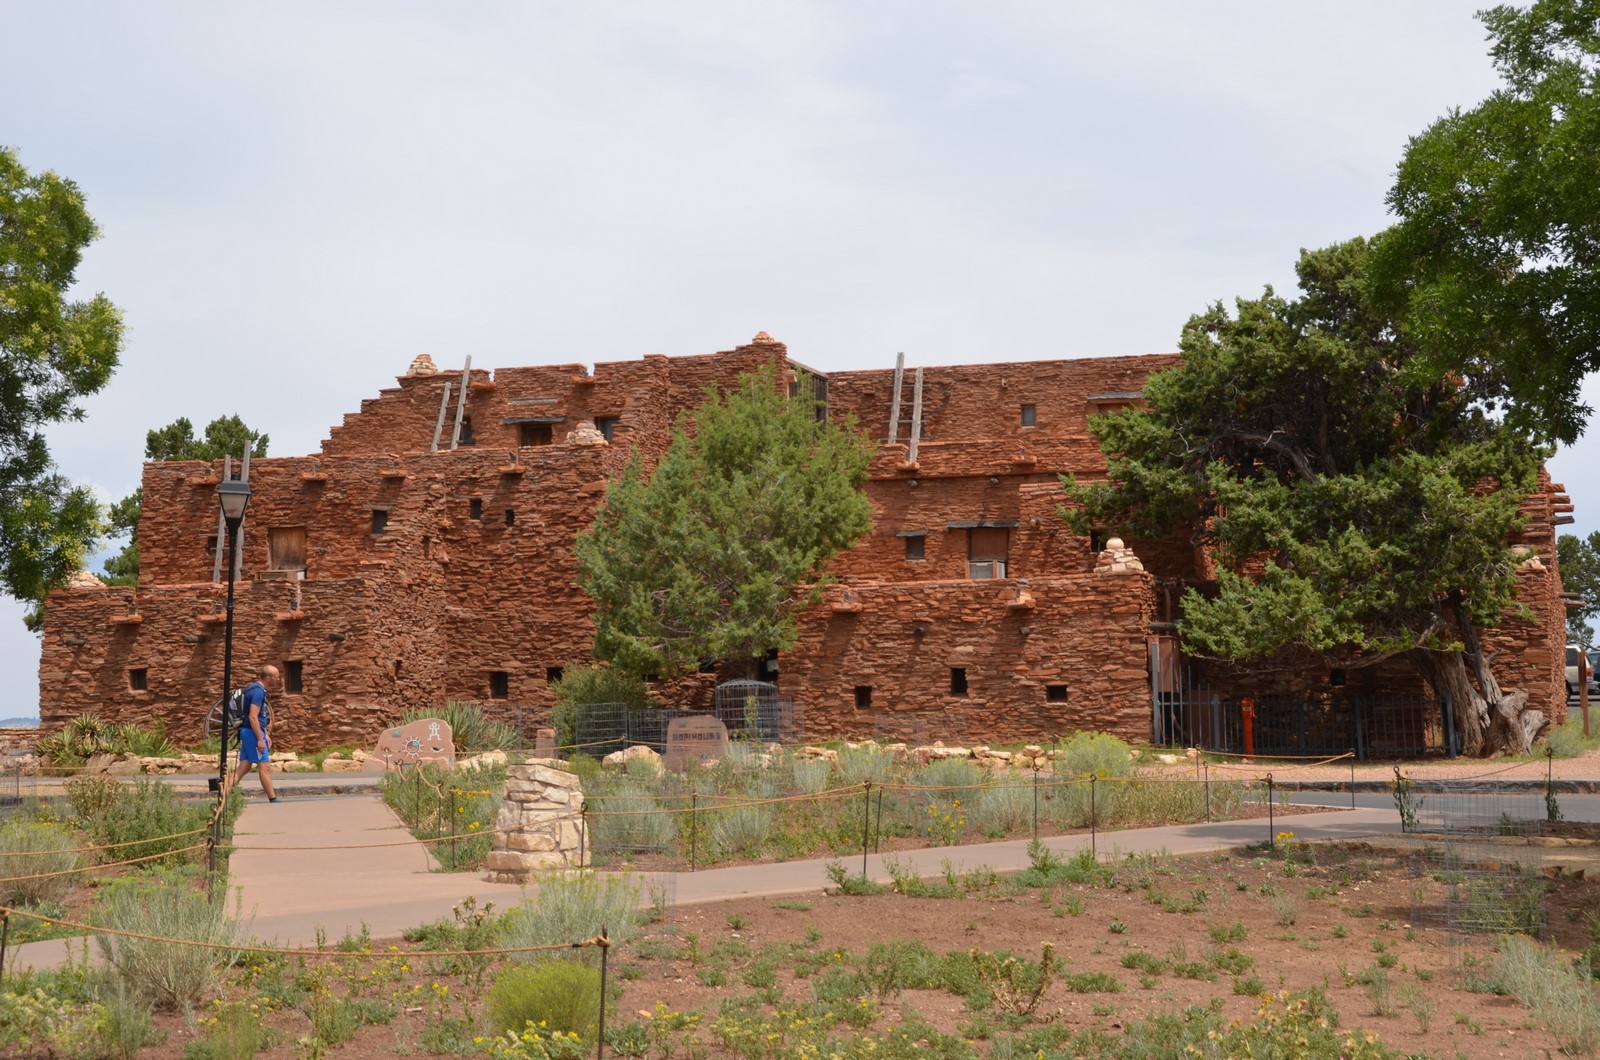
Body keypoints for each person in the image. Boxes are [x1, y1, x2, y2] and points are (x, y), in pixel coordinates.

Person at [231, 663, 279, 802]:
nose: (278, 679)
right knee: (264, 766)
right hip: (252, 733)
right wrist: (260, 739)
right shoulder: (258, 692)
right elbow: (253, 717)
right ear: (268, 678)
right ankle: (273, 799)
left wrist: (265, 734)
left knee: (244, 767)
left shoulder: (253, 689)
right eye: (276, 676)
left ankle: (223, 793)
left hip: (248, 732)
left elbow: (259, 716)